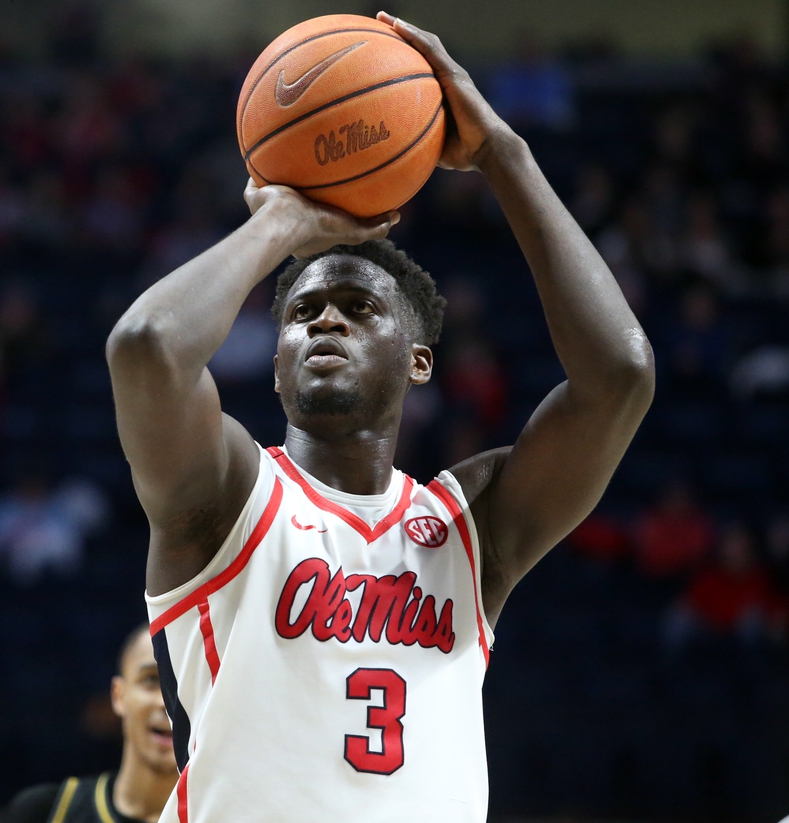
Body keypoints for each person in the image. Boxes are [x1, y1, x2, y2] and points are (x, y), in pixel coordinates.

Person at [106, 13, 654, 823]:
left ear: (420, 360)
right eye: (303, 312)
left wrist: (504, 153)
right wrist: (285, 221)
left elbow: (620, 375)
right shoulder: (225, 496)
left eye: (358, 306)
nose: (325, 322)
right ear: (277, 357)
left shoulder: (471, 528)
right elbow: (147, 347)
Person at [8, 626, 177, 823]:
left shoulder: (220, 814)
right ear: (118, 695)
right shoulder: (46, 811)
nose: (166, 702)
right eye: (151, 679)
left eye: (184, 684)